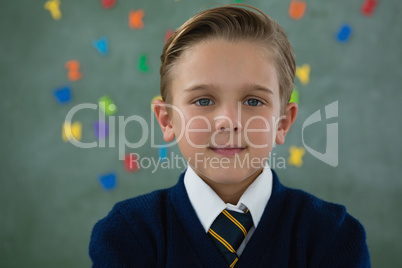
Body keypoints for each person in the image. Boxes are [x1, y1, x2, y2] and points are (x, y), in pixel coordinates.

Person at [89, 4, 370, 267]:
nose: (229, 122)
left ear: (283, 123)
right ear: (167, 120)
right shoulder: (127, 234)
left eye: (253, 101)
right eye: (203, 101)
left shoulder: (333, 236)